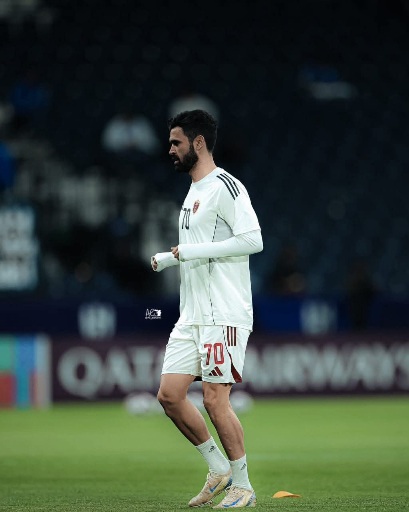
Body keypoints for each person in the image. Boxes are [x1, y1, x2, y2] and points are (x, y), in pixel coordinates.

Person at [151, 110, 262, 508]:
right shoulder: (193, 191)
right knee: (169, 395)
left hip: (223, 312)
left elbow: (253, 240)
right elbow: (196, 250)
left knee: (215, 400)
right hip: (192, 314)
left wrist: (191, 251)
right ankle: (218, 467)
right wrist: (170, 258)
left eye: (176, 142)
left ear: (198, 143)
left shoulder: (227, 187)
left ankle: (243, 486)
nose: (170, 149)